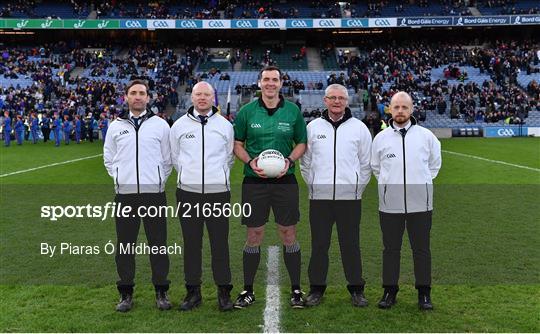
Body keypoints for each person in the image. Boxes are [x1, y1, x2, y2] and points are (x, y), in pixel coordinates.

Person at [233, 66, 308, 309]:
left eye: (274, 80)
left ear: (280, 83)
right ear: (259, 83)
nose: (270, 83)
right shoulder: (246, 112)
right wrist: (249, 161)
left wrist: (290, 160)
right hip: (254, 182)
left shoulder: (293, 111)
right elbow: (237, 144)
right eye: (266, 79)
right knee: (254, 234)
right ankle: (247, 290)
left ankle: (296, 289)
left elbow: (302, 143)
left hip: (285, 182)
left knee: (288, 233)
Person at [103, 79, 173, 312]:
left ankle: (161, 291)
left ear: (148, 98)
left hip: (154, 195)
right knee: (125, 246)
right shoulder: (115, 126)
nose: (138, 97)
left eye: (142, 93)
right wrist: (120, 179)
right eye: (133, 93)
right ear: (126, 97)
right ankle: (125, 294)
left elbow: (167, 159)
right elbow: (109, 158)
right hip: (125, 196)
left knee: (158, 245)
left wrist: (158, 181)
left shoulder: (160, 125)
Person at [300, 84, 372, 307]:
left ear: (347, 101)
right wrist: (313, 186)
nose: (337, 102)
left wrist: (356, 188)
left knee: (350, 245)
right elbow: (305, 162)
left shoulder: (359, 128)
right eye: (333, 98)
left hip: (349, 199)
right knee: (319, 245)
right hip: (320, 199)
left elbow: (366, 164)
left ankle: (356, 290)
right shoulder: (312, 127)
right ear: (325, 100)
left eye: (341, 98)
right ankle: (316, 289)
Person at [371, 91, 442, 311]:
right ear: (389, 109)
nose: (400, 111)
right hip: (390, 205)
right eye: (396, 107)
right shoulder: (380, 138)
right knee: (390, 249)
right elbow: (376, 168)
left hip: (420, 204)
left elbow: (434, 166)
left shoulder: (426, 136)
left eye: (404, 107)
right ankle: (389, 291)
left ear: (411, 109)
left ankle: (424, 294)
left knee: (421, 250)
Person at [170, 82, 235, 311]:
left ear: (213, 98)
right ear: (192, 97)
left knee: (220, 244)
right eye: (198, 94)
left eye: (207, 94)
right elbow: (176, 157)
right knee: (191, 245)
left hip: (218, 194)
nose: (202, 98)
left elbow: (229, 158)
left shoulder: (225, 126)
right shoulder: (178, 126)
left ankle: (224, 293)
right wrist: (191, 177)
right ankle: (193, 292)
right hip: (188, 193)